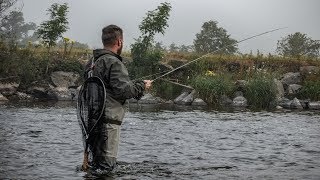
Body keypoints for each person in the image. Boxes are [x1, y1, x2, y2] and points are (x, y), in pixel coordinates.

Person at [84, 24, 152, 174]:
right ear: (119, 42)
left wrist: (135, 85)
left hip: (93, 123)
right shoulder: (114, 62)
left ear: (104, 41)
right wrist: (142, 85)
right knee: (106, 169)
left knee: (97, 165)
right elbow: (124, 91)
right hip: (108, 124)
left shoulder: (91, 63)